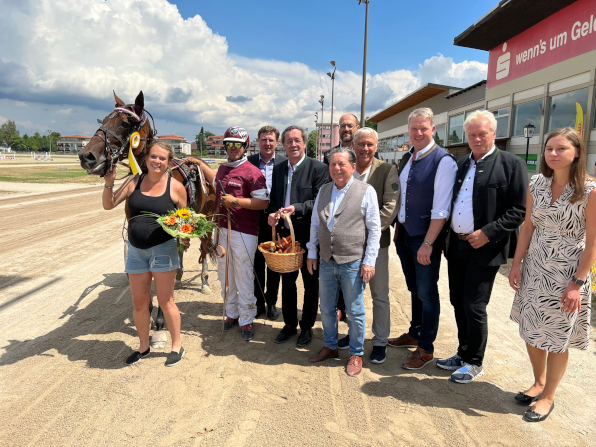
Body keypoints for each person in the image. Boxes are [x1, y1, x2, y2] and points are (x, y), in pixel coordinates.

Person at [509, 127, 596, 422]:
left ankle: (548, 397)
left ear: (576, 154)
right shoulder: (537, 183)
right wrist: (516, 263)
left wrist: (578, 282)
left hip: (568, 274)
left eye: (561, 149)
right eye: (549, 148)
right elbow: (528, 226)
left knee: (557, 337)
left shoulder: (590, 189)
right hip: (536, 267)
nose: (553, 154)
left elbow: (593, 241)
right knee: (532, 329)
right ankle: (539, 382)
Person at [439, 110, 527, 383]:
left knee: (474, 305)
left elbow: (519, 210)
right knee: (456, 301)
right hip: (457, 246)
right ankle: (463, 353)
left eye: (482, 133)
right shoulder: (462, 163)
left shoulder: (511, 164)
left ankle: (475, 362)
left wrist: (488, 233)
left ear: (494, 134)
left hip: (485, 248)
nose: (477, 138)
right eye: (472, 134)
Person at [103, 142, 189, 366]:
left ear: (168, 163)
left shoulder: (176, 187)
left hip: (164, 250)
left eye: (162, 158)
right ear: (146, 159)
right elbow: (108, 204)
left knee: (166, 301)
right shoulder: (134, 182)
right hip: (136, 252)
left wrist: (185, 234)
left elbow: (185, 219)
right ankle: (143, 347)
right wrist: (109, 184)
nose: (157, 161)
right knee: (139, 304)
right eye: (153, 156)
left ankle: (177, 346)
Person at [388, 107, 457, 370]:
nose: (418, 132)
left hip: (424, 238)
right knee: (414, 289)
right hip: (405, 234)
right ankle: (415, 332)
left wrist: (428, 243)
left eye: (423, 128)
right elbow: (402, 199)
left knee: (427, 293)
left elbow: (441, 208)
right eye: (414, 128)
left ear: (433, 129)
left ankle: (426, 348)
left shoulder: (443, 161)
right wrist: (398, 226)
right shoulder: (408, 157)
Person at [306, 146, 381, 376]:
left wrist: (369, 261)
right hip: (327, 260)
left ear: (353, 166)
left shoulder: (366, 191)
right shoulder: (324, 191)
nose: (336, 168)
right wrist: (311, 251)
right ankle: (330, 346)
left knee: (355, 310)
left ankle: (356, 353)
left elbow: (374, 229)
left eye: (342, 164)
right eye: (333, 164)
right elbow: (315, 224)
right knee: (327, 308)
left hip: (352, 262)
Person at [199, 126, 269, 341]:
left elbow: (263, 202)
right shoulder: (222, 169)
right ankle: (231, 313)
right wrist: (200, 164)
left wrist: (236, 201)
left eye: (238, 144)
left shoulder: (253, 172)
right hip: (222, 229)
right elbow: (214, 181)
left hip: (244, 232)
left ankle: (247, 318)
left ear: (245, 146)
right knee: (224, 273)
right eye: (229, 144)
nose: (233, 148)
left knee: (243, 274)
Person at [336, 128, 399, 364]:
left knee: (379, 293)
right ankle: (355, 336)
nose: (365, 149)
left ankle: (380, 341)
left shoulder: (386, 170)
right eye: (361, 144)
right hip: (348, 247)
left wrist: (364, 233)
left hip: (377, 244)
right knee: (352, 295)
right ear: (353, 144)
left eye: (370, 144)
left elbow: (390, 207)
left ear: (376, 146)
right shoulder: (346, 169)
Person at [268, 126, 328, 347]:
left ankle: (307, 327)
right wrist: (273, 214)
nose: (293, 145)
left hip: (309, 236)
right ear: (283, 145)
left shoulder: (319, 168)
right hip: (285, 237)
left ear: (304, 143)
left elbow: (320, 201)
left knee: (311, 283)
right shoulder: (279, 168)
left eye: (297, 140)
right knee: (287, 282)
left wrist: (298, 208)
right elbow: (275, 199)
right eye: (289, 141)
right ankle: (290, 324)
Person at [248, 126, 287, 320]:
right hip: (255, 219)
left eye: (271, 139)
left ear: (277, 142)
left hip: (275, 220)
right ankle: (259, 301)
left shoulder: (284, 163)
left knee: (273, 264)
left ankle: (272, 302)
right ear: (258, 141)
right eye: (263, 139)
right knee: (256, 263)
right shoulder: (249, 162)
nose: (267, 143)